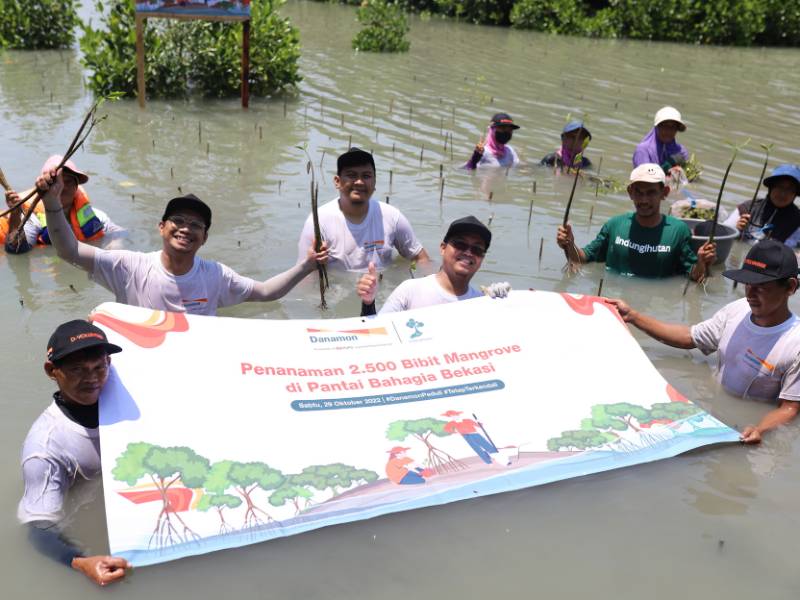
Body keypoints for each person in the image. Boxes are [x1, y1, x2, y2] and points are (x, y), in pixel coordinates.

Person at [35, 168, 327, 315]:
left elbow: (264, 292)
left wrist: (307, 265)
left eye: (196, 225)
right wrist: (52, 204)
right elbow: (69, 250)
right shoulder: (129, 266)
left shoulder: (215, 276)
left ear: (205, 238)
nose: (186, 229)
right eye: (178, 221)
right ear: (161, 227)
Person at [606, 240, 800, 444]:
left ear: (790, 287)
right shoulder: (737, 311)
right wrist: (634, 317)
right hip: (713, 408)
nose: (750, 294)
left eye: (761, 287)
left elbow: (789, 408)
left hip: (746, 430)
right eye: (748, 284)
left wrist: (760, 429)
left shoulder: (794, 344)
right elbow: (690, 338)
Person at [19, 320, 131, 586]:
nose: (92, 378)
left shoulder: (121, 390)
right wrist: (82, 562)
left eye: (99, 367)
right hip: (85, 507)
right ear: (52, 371)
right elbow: (39, 528)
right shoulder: (46, 449)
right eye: (77, 369)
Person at [557, 163, 715, 280]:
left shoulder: (678, 231)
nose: (644, 200)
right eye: (638, 192)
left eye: (651, 192)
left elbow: (695, 277)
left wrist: (702, 262)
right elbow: (582, 258)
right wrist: (569, 243)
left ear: (664, 193)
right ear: (630, 193)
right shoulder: (615, 225)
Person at [297, 148, 429, 271]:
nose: (359, 182)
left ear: (375, 182)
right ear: (337, 181)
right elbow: (303, 275)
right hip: (337, 292)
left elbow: (421, 258)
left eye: (366, 176)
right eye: (352, 175)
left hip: (379, 290)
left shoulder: (392, 216)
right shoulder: (319, 221)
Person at [358, 216, 508, 315]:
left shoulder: (481, 303)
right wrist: (368, 303)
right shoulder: (410, 290)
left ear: (482, 259)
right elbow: (375, 338)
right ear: (443, 248)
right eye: (460, 245)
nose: (468, 253)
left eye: (477, 249)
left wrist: (504, 306)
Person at [2, 155, 122, 254]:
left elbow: (119, 233)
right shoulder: (33, 218)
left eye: (68, 181)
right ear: (44, 188)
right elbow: (16, 250)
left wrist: (113, 250)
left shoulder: (95, 216)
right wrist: (15, 214)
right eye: (56, 183)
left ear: (76, 187)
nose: (62, 187)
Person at [723, 164, 800, 247]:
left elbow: (793, 252)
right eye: (779, 187)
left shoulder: (797, 221)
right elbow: (722, 235)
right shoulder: (748, 208)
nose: (783, 193)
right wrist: (736, 230)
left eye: (789, 189)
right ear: (771, 187)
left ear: (795, 193)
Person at [632, 106, 689, 170]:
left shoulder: (681, 151)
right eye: (664, 126)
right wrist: (665, 168)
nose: (668, 131)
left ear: (677, 129)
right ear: (657, 127)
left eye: (673, 127)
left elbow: (688, 176)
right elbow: (644, 177)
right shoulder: (643, 150)